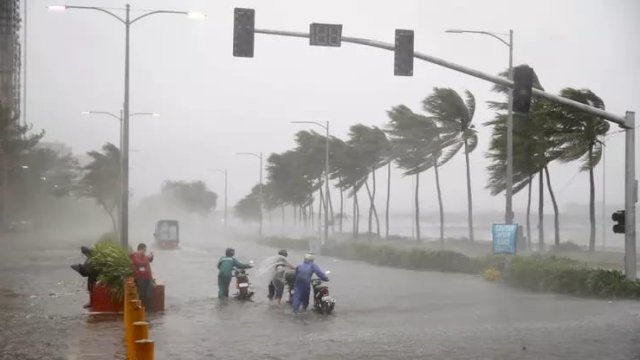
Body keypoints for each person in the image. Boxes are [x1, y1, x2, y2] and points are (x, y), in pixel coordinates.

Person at [130, 243, 154, 311]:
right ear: (139, 250)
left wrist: (151, 256)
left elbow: (150, 259)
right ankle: (141, 310)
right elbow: (140, 263)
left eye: (145, 250)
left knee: (149, 295)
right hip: (140, 278)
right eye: (143, 250)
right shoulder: (134, 255)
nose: (144, 252)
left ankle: (149, 310)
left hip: (148, 277)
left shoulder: (145, 256)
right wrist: (147, 257)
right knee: (141, 295)